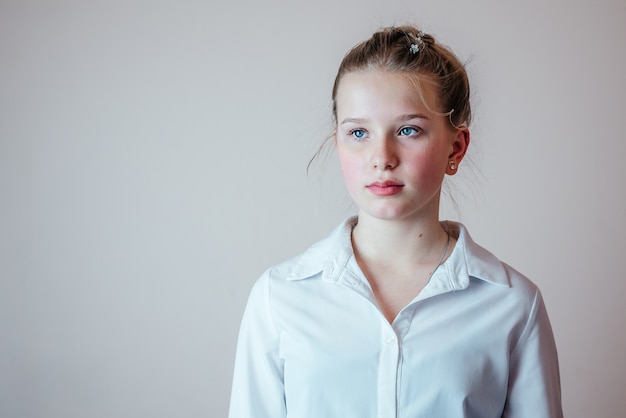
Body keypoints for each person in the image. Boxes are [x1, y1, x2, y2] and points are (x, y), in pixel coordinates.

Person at [228, 25, 563, 418]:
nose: (381, 156)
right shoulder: (279, 297)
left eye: (408, 130)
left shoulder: (512, 305)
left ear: (456, 147)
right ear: (337, 142)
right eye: (358, 132)